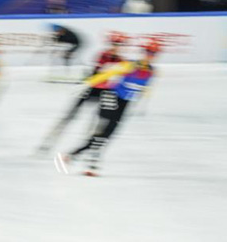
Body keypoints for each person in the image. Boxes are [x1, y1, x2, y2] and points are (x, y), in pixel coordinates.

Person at [55, 39, 161, 176]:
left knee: (108, 134)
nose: (150, 55)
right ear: (143, 52)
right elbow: (107, 74)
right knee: (102, 131)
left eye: (153, 53)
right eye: (148, 52)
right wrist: (87, 83)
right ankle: (90, 164)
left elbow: (146, 87)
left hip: (125, 103)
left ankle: (72, 156)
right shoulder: (130, 65)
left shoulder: (152, 71)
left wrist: (144, 101)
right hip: (111, 96)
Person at [38, 31, 127, 154]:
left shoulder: (121, 61)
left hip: (105, 91)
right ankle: (48, 143)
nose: (116, 47)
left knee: (97, 122)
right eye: (114, 44)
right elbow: (101, 71)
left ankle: (87, 147)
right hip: (91, 88)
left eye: (119, 45)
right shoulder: (103, 55)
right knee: (70, 116)